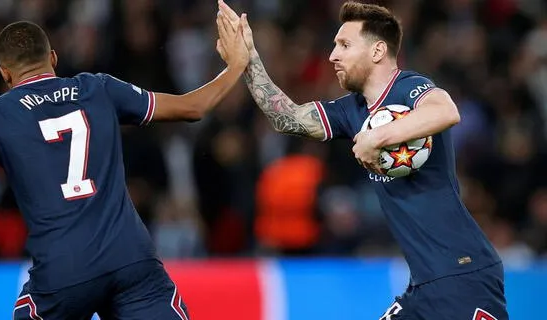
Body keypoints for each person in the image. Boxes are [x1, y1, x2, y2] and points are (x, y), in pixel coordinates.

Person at [0, 15, 248, 320]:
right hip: (129, 258)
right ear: (53, 57)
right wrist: (235, 66)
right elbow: (192, 108)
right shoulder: (99, 88)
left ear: (5, 74)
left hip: (63, 273)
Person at [217, 1, 508, 319]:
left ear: (377, 51)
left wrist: (376, 137)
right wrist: (249, 60)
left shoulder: (410, 88)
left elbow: (446, 111)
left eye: (344, 45)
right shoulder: (350, 110)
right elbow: (286, 118)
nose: (332, 55)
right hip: (424, 284)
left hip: (462, 274)